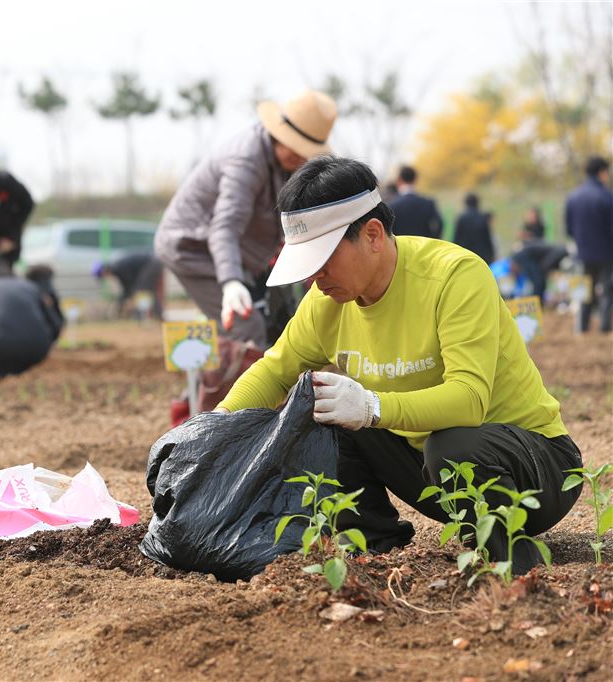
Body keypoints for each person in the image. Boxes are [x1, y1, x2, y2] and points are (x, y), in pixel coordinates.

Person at [215, 156, 581, 574]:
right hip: (436, 473)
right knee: (321, 415)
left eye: (324, 260)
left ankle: (515, 567)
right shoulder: (326, 300)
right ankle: (374, 553)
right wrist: (214, 427)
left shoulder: (455, 276)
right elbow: (274, 370)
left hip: (536, 474)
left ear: (372, 235)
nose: (313, 278)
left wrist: (372, 407)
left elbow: (469, 400)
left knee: (450, 444)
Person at [154, 89, 338, 345]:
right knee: (245, 324)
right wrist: (230, 283)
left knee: (275, 320)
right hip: (192, 248)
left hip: (238, 255)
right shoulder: (245, 162)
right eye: (296, 148)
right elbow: (225, 227)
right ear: (278, 134)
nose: (301, 157)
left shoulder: (283, 162)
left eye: (306, 151)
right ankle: (238, 384)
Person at [565, 156, 613, 333]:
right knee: (607, 289)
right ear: (601, 172)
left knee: (583, 289)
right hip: (607, 253)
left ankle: (581, 326)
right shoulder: (606, 197)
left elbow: (569, 229)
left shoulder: (573, 196)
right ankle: (604, 326)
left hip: (582, 252)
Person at [92, 253, 164, 320]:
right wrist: (120, 301)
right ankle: (150, 314)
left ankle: (146, 316)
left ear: (104, 271)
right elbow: (127, 288)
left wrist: (120, 302)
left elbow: (130, 286)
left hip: (151, 263)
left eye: (102, 276)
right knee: (142, 289)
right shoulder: (117, 269)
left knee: (141, 290)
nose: (105, 278)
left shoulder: (119, 268)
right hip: (152, 263)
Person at [387, 165, 442, 239]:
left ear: (399, 180)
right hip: (423, 246)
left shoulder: (392, 205)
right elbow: (439, 224)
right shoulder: (428, 203)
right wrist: (431, 239)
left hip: (401, 248)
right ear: (415, 179)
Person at [452, 193, 495, 264]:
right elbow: (487, 238)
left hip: (465, 254)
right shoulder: (482, 218)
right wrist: (491, 254)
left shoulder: (462, 218)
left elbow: (457, 238)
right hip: (481, 255)